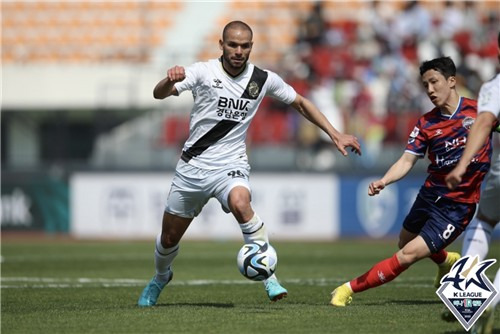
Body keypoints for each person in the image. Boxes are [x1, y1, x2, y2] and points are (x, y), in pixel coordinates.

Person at [138, 20, 362, 307]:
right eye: (233, 44)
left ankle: (268, 275)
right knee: (169, 238)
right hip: (193, 167)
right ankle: (160, 277)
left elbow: (302, 103)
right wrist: (169, 79)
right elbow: (159, 93)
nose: (238, 51)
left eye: (244, 46)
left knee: (241, 202)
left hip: (231, 165)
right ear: (222, 45)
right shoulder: (203, 71)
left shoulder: (262, 79)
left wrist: (335, 134)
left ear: (251, 47)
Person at [330, 56, 495, 307]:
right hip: (429, 195)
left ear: (451, 81)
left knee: (407, 255)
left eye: (434, 82)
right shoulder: (426, 123)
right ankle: (445, 261)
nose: (429, 90)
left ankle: (346, 289)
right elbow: (407, 161)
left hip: (456, 206)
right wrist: (384, 180)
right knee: (404, 241)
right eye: (425, 85)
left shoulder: (480, 112)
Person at [444, 32, 500, 334]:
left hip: (499, 171)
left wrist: (462, 165)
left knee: (484, 221)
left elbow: (484, 122)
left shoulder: (495, 85)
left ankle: (466, 296)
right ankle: (492, 300)